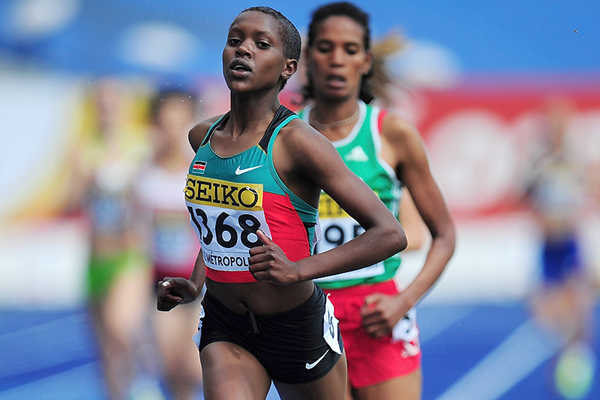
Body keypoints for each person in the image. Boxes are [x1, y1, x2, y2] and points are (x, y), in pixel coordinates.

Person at [156, 6, 407, 400]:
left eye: (261, 44)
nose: (243, 51)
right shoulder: (201, 137)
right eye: (235, 41)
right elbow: (223, 227)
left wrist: (298, 270)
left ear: (288, 68)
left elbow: (390, 233)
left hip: (296, 329)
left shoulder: (299, 143)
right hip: (226, 326)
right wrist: (195, 283)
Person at [296, 2, 456, 399]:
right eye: (325, 48)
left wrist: (402, 302)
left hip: (377, 314)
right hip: (307, 315)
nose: (336, 60)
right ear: (306, 57)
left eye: (349, 50)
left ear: (366, 61)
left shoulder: (391, 133)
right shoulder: (283, 134)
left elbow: (445, 236)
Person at [64, 77, 153, 399]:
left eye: (113, 102)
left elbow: (155, 196)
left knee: (119, 330)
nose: (107, 109)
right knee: (105, 346)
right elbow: (70, 204)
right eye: (101, 103)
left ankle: (144, 378)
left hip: (131, 254)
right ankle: (118, 393)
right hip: (95, 257)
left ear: (125, 106)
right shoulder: (83, 148)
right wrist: (82, 177)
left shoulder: (142, 145)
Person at [524, 97, 597, 399]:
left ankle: (577, 357)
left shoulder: (577, 158)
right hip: (547, 243)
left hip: (570, 240)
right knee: (545, 310)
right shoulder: (537, 160)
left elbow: (590, 189)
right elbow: (526, 196)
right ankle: (564, 352)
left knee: (580, 301)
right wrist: (541, 219)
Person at [135, 89, 203, 400]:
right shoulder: (145, 177)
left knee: (192, 367)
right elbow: (135, 234)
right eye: (166, 123)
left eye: (180, 122)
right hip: (161, 281)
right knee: (168, 365)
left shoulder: (200, 174)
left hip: (199, 282)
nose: (173, 131)